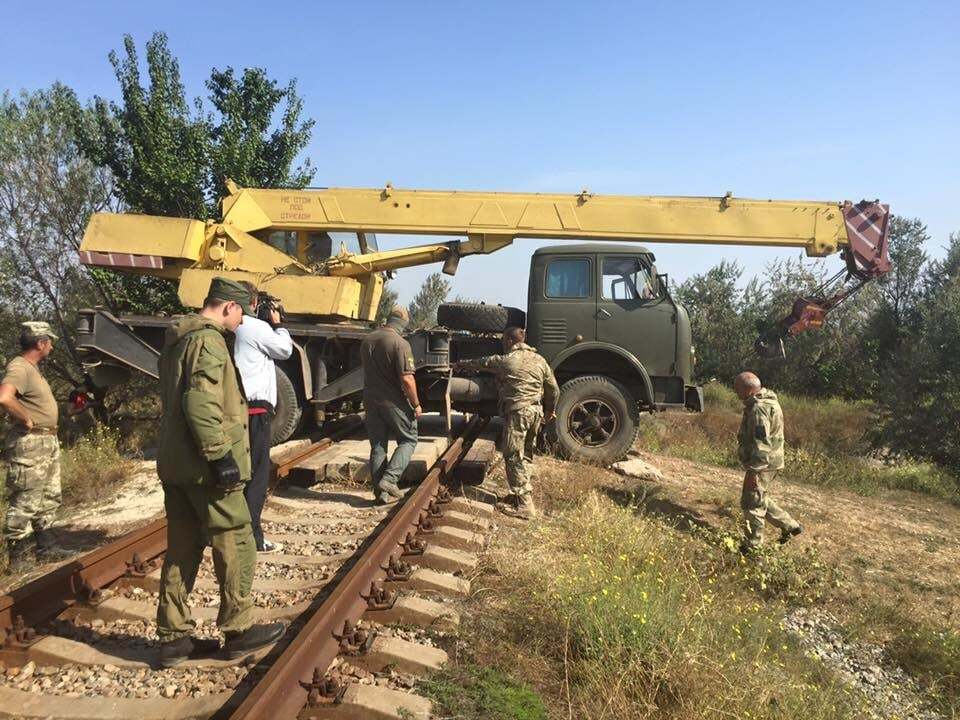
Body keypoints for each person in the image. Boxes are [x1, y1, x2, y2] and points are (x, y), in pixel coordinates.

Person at [155, 277, 283, 667]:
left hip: (176, 464)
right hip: (204, 467)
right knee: (237, 540)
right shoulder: (209, 340)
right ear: (227, 306)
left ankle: (173, 639)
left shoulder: (178, 339)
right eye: (240, 312)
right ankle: (238, 631)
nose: (240, 321)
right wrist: (220, 457)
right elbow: (200, 402)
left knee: (181, 549)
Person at [455, 327, 559, 520]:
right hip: (535, 412)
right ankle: (518, 496)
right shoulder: (540, 361)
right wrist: (549, 410)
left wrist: (461, 364)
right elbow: (553, 388)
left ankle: (525, 505)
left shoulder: (507, 360)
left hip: (519, 412)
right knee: (526, 454)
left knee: (512, 455)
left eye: (504, 341)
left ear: (509, 341)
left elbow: (483, 363)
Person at [235, 282, 293, 554]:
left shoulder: (232, 328)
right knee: (257, 475)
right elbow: (285, 350)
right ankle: (253, 537)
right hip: (255, 410)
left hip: (235, 408)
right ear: (254, 302)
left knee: (235, 473)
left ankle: (227, 531)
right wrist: (278, 324)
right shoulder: (254, 328)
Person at [0, 321, 63, 567]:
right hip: (32, 443)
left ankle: (46, 549)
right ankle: (19, 560)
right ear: (40, 343)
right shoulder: (20, 366)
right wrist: (25, 418)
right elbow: (4, 397)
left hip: (46, 441)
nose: (52, 346)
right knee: (26, 499)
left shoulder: (32, 368)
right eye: (50, 341)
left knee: (48, 497)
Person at [734, 371, 802, 553]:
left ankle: (752, 547)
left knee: (752, 502)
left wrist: (753, 472)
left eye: (737, 389)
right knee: (759, 496)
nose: (736, 393)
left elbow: (762, 443)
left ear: (748, 390)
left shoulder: (759, 409)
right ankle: (790, 525)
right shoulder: (768, 402)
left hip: (762, 463)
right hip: (771, 461)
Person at [360, 306, 421, 504]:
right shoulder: (400, 343)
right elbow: (407, 379)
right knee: (409, 439)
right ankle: (390, 479)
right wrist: (416, 404)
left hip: (370, 399)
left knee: (378, 445)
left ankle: (380, 494)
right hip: (392, 401)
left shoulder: (368, 340)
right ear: (402, 324)